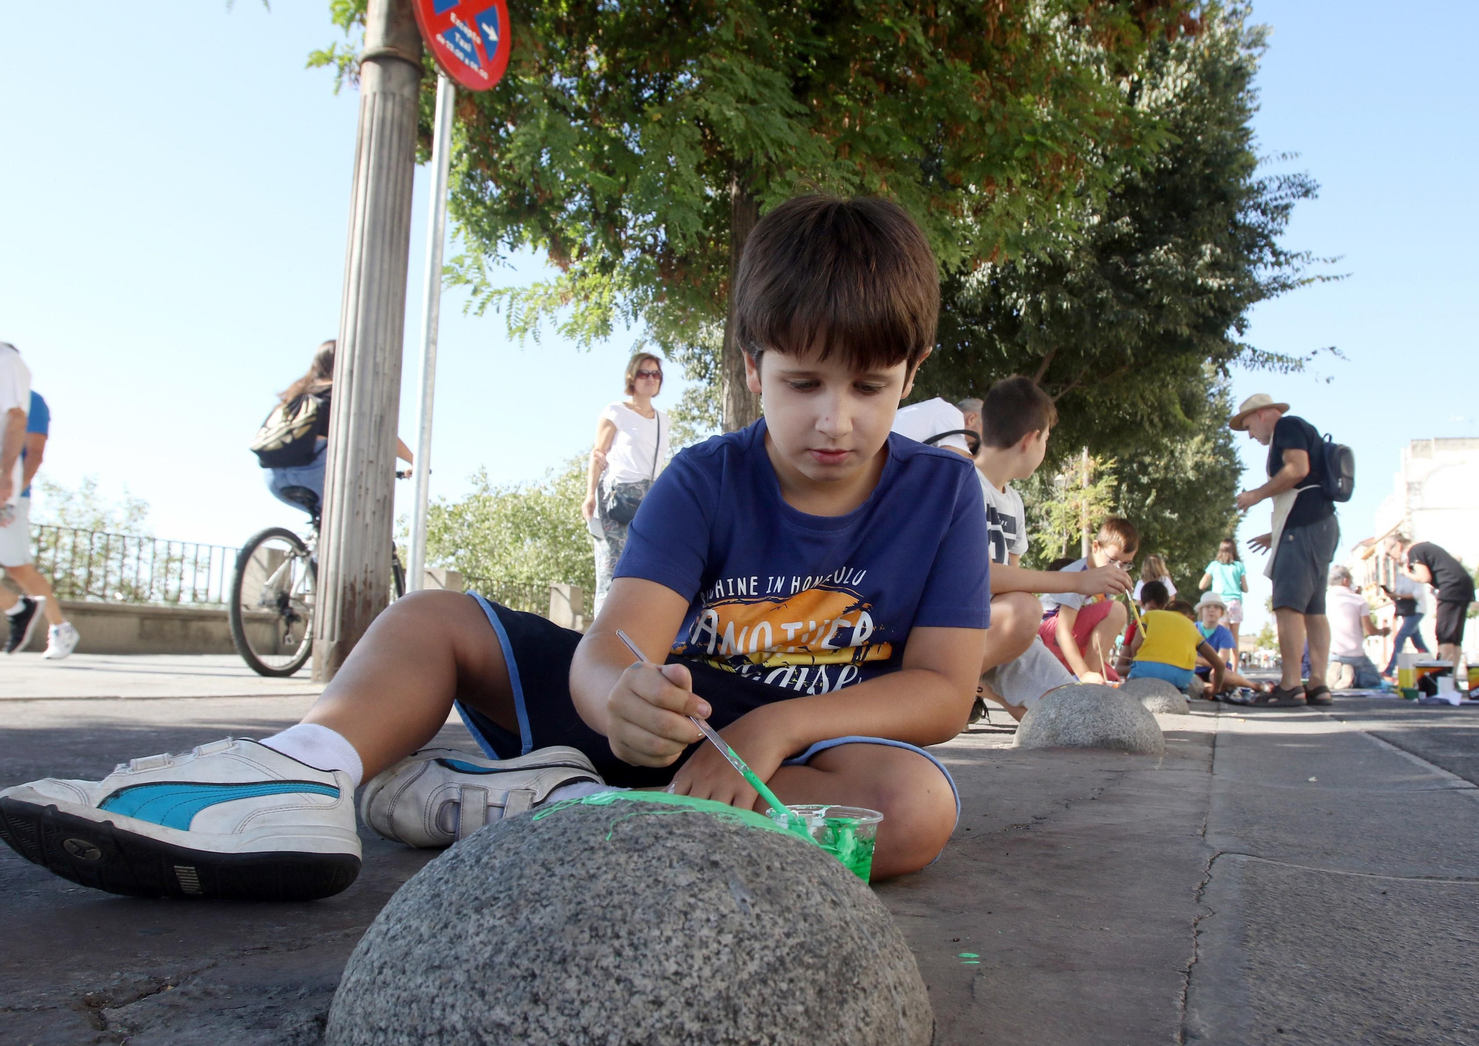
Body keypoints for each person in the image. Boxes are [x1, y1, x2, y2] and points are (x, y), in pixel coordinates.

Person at [0, 194, 991, 899]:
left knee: (912, 810)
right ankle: (298, 773)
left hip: (793, 761)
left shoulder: (941, 490)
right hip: (654, 734)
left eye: (870, 387)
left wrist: (771, 733)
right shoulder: (705, 475)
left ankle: (547, 806)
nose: (836, 418)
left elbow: (944, 688)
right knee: (431, 618)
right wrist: (624, 700)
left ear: (911, 374)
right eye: (803, 382)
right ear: (752, 365)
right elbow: (614, 644)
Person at [968, 377, 1127, 720]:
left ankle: (972, 686)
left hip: (995, 630)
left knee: (1070, 714)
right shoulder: (960, 482)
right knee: (1026, 610)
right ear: (1031, 440)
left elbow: (1013, 578)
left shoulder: (1014, 502)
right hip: (951, 627)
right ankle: (940, 683)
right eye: (1047, 440)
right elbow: (974, 575)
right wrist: (1077, 581)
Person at [1232, 393, 1340, 706]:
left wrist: (1256, 495)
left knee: (1288, 604)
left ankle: (1291, 683)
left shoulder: (1288, 426)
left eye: (1248, 425)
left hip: (1303, 526)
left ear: (1263, 414)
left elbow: (1297, 469)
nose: (1250, 435)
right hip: (1320, 524)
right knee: (1314, 608)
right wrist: (1275, 534)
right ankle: (1318, 682)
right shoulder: (1302, 428)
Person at [257, 341, 414, 514]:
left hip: (273, 475)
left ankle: (310, 541)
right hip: (316, 469)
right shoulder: (342, 392)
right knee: (368, 516)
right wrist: (414, 461)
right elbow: (382, 433)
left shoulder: (295, 394)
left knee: (327, 522)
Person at [0, 348, 78, 658]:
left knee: (19, 570)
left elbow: (34, 453)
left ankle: (59, 627)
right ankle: (20, 610)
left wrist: (14, 496)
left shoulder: (31, 402)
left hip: (10, 495)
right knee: (19, 568)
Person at [580, 352, 672, 609]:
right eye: (644, 373)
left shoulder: (663, 420)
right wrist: (589, 495)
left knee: (646, 569)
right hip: (618, 495)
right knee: (611, 567)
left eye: (656, 374)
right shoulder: (616, 411)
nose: (651, 378)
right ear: (633, 377)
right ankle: (600, 637)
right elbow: (598, 453)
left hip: (650, 497)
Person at [1037, 518, 1140, 683]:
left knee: (1110, 678)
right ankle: (1084, 684)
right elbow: (1062, 631)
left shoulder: (1104, 578)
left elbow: (1098, 632)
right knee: (1118, 610)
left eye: (1125, 564)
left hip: (1064, 641)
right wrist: (1085, 674)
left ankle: (1083, 678)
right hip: (1046, 637)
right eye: (1112, 561)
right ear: (1096, 547)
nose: (1117, 569)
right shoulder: (1078, 574)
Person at [1116, 583, 1227, 697]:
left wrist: (1138, 660)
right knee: (1185, 681)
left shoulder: (1149, 616)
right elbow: (1219, 665)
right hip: (1180, 677)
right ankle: (1183, 693)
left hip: (1145, 672)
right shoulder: (1192, 627)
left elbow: (1135, 645)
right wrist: (1214, 690)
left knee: (1133, 680)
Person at [1384, 535, 1474, 672]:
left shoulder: (1414, 551)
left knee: (1445, 634)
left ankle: (1445, 678)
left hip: (1450, 587)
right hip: (1464, 586)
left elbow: (1424, 577)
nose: (1391, 557)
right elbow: (1456, 558)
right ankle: (1452, 677)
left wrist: (1406, 573)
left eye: (1389, 553)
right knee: (1455, 636)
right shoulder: (1426, 546)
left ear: (1398, 545)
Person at [1325, 566, 1384, 689]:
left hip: (1330, 653)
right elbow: (1369, 630)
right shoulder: (1358, 600)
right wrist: (1382, 631)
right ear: (1346, 580)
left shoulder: (1324, 599)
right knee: (1373, 681)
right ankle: (1350, 674)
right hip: (1354, 654)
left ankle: (1340, 671)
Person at [1198, 538, 1248, 665]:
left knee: (1221, 636)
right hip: (1235, 603)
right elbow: (1246, 588)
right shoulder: (1238, 566)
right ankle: (1235, 670)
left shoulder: (1214, 565)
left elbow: (1201, 585)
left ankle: (1220, 666)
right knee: (1234, 639)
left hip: (1219, 604)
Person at [891, 395, 981, 456]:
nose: (969, 448)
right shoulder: (952, 414)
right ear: (972, 418)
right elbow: (956, 462)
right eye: (973, 445)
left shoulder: (939, 409)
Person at [1379, 570, 1430, 678]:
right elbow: (1399, 593)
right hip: (1407, 611)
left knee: (1400, 638)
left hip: (1417, 610)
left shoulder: (1415, 574)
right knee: (1419, 643)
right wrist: (1392, 595)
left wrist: (1398, 595)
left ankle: (1389, 670)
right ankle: (1434, 667)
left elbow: (1418, 593)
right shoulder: (1400, 575)